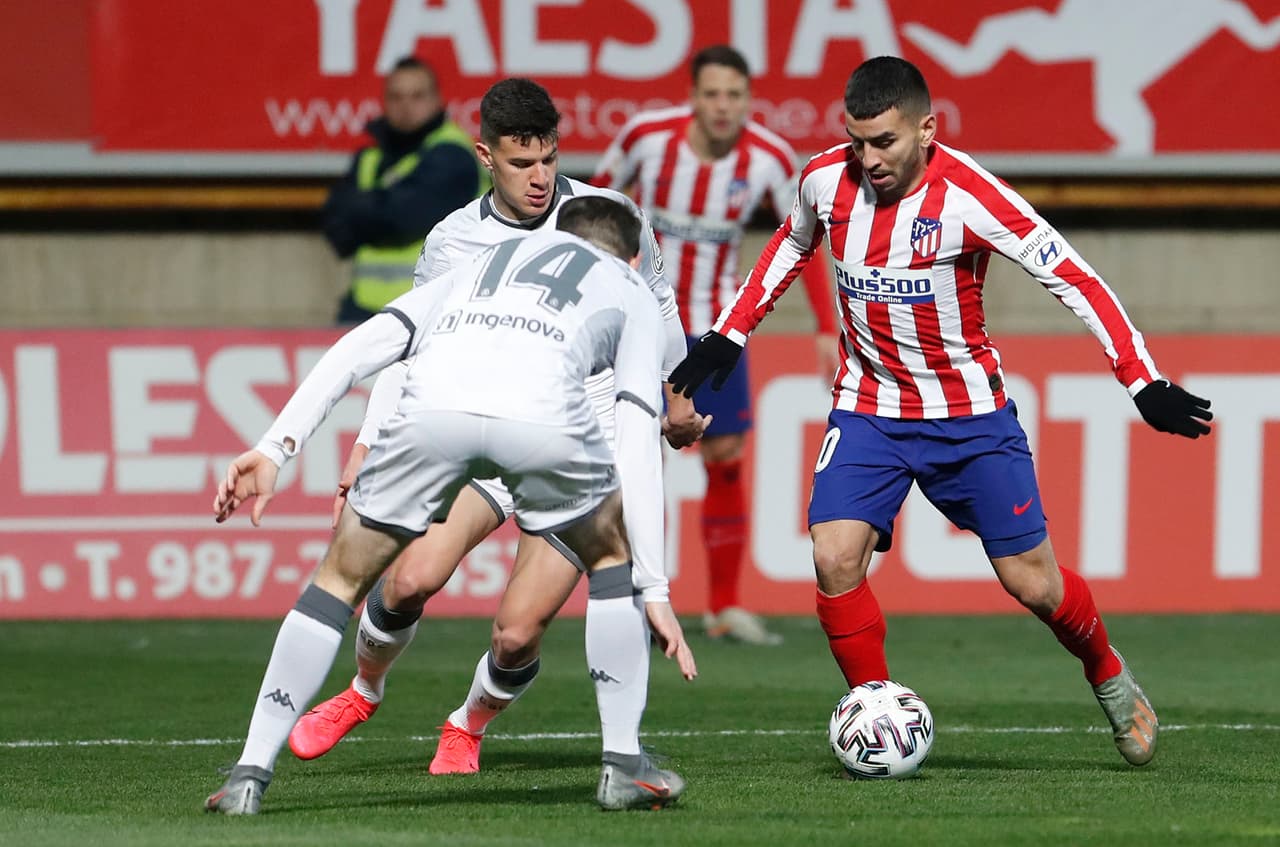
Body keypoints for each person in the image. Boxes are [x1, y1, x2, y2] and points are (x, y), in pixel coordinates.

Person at [672, 56, 1214, 767]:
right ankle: (877, 714)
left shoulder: (971, 195)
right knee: (834, 556)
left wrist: (1141, 379)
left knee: (1033, 582)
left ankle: (1109, 676)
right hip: (868, 409)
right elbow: (791, 243)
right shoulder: (823, 179)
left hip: (969, 418)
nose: (868, 160)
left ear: (927, 128)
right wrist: (729, 334)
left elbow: (1072, 274)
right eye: (857, 141)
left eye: (885, 143)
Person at [205, 197, 697, 815]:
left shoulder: (484, 263)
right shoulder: (631, 286)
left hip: (438, 415)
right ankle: (623, 765)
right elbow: (636, 434)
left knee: (339, 579)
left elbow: (363, 346)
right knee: (605, 567)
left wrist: (275, 447)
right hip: (550, 431)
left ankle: (249, 774)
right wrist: (652, 587)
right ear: (633, 256)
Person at [285, 79, 706, 775]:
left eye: (548, 159)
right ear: (485, 154)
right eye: (521, 163)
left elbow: (655, 302)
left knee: (515, 634)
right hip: (494, 420)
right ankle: (363, 690)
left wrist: (676, 390)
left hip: (583, 440)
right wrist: (367, 440)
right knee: (408, 580)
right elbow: (413, 343)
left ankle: (468, 722)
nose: (540, 178)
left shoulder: (610, 215)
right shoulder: (456, 240)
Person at [591, 45, 840, 646]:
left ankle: (724, 607)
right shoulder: (645, 138)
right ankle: (635, 598)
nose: (723, 106)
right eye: (712, 94)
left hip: (717, 332)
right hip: (639, 325)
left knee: (724, 458)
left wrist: (825, 327)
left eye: (734, 94)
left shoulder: (771, 158)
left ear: (748, 99)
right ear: (693, 96)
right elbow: (590, 203)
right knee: (632, 461)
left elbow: (803, 239)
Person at [322, 56, 488, 323]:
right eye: (396, 97)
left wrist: (365, 210)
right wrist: (381, 208)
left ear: (437, 100)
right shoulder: (370, 156)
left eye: (417, 96)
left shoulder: (453, 153)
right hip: (366, 310)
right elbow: (335, 227)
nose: (406, 106)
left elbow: (407, 217)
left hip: (436, 308)